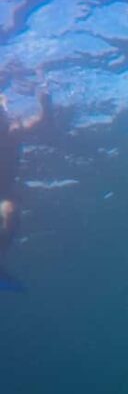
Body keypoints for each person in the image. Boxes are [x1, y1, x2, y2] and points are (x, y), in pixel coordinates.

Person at [0, 86, 52, 290]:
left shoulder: (15, 130)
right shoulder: (14, 130)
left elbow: (42, 120)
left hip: (5, 190)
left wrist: (45, 103)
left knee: (10, 212)